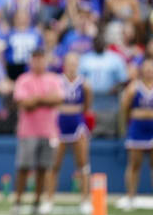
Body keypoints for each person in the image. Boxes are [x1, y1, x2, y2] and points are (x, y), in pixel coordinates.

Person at [118, 59, 153, 212]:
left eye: (152, 68)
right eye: (146, 68)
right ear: (141, 70)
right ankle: (131, 198)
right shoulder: (133, 88)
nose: (149, 71)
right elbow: (125, 108)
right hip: (137, 129)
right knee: (134, 165)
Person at [12, 49, 63, 215]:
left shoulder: (53, 79)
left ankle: (37, 202)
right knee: (23, 167)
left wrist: (36, 99)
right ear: (31, 61)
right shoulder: (23, 79)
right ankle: (18, 201)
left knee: (43, 168)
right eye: (35, 60)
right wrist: (44, 99)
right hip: (28, 131)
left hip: (48, 131)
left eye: (41, 59)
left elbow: (58, 99)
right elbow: (24, 102)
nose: (38, 63)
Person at [45, 52, 92, 215]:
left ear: (78, 65)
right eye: (69, 63)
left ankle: (85, 200)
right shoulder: (57, 81)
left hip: (77, 123)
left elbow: (87, 106)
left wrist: (76, 113)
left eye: (75, 63)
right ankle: (49, 199)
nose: (72, 66)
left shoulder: (84, 84)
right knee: (54, 164)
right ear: (64, 64)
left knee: (83, 164)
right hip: (59, 125)